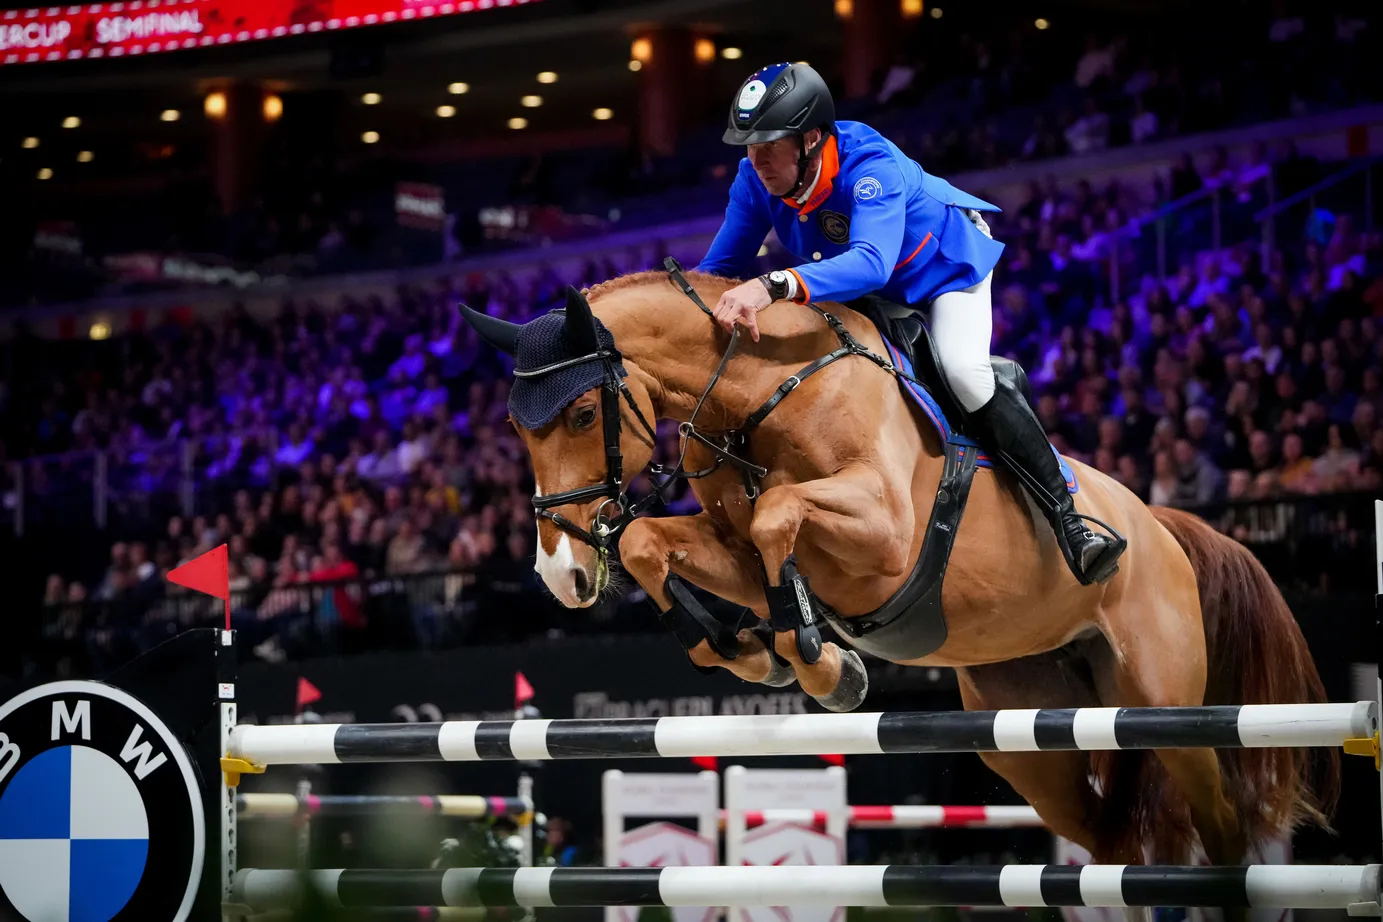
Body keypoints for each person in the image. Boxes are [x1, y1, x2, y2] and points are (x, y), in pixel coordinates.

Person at [697, 62, 1124, 585]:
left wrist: (771, 285)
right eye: (748, 144)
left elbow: (873, 261)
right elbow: (717, 269)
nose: (756, 158)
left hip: (941, 270)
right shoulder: (754, 178)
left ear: (810, 138)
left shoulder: (869, 165)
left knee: (964, 374)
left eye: (768, 143)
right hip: (868, 291)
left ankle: (1071, 520)